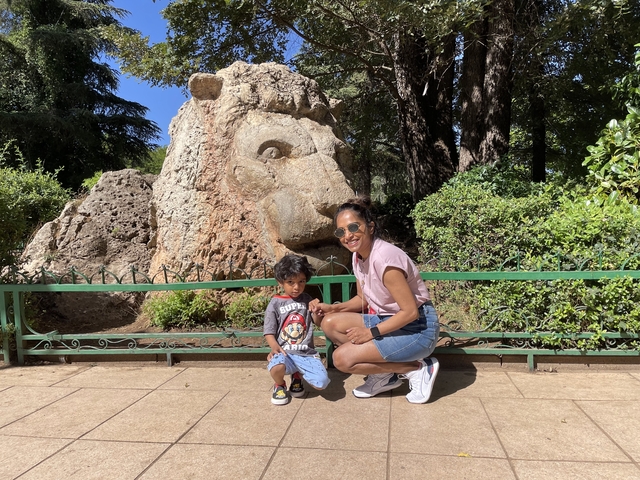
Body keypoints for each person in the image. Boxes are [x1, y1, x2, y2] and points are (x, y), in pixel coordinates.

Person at [309, 196, 440, 404]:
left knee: (341, 359)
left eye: (353, 227)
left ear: (370, 227)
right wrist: (333, 308)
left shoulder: (384, 258)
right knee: (330, 323)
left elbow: (410, 312)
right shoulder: (358, 255)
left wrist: (370, 333)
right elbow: (363, 299)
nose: (347, 235)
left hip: (418, 328)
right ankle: (384, 374)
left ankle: (417, 369)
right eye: (341, 231)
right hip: (388, 319)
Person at [264, 254, 330, 405]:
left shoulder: (307, 299)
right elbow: (269, 330)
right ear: (280, 282)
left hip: (306, 353)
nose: (296, 287)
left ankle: (297, 376)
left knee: (322, 383)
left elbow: (318, 322)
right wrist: (274, 347)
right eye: (290, 282)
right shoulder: (275, 303)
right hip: (285, 353)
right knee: (276, 367)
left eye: (301, 281)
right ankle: (280, 385)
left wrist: (317, 311)